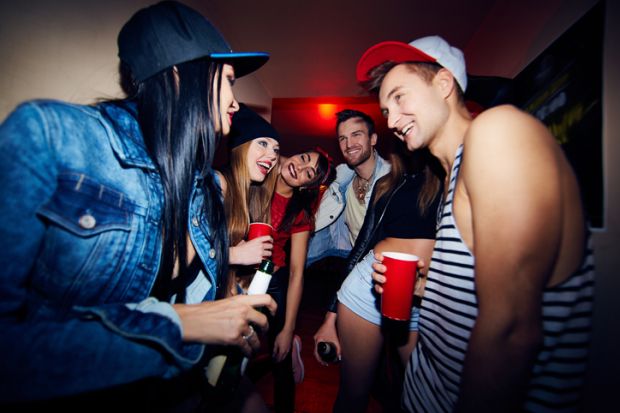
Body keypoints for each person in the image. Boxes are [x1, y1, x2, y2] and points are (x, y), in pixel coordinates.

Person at [0, 1, 277, 410]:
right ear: (181, 75)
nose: (236, 102)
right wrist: (181, 325)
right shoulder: (51, 138)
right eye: (229, 81)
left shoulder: (205, 186)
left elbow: (186, 296)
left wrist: (226, 306)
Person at [359, 35, 595, 412]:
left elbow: (513, 330)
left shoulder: (497, 133)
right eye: (385, 110)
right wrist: (422, 286)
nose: (392, 120)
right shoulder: (452, 178)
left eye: (399, 97)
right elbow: (477, 300)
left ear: (443, 83)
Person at [331, 145, 443, 413]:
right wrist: (329, 314)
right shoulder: (388, 183)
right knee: (354, 394)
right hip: (369, 289)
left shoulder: (449, 176)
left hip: (430, 295)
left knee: (424, 395)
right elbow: (363, 243)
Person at [259, 146, 336, 412]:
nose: (300, 168)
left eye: (309, 173)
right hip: (235, 275)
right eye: (303, 159)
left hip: (273, 280)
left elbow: (296, 273)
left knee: (280, 358)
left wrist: (288, 329)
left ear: (307, 186)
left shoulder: (300, 213)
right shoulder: (256, 177)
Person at [310, 109, 391, 357]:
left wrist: (330, 316)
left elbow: (369, 243)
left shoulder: (393, 180)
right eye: (342, 138)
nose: (348, 144)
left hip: (390, 281)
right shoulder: (341, 181)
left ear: (373, 139)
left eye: (356, 135)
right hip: (358, 280)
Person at [218, 103, 280, 294]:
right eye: (263, 143)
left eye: (276, 150)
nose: (272, 156)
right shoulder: (219, 183)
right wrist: (235, 255)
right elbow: (176, 253)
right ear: (241, 147)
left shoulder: (251, 197)